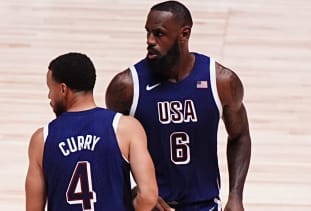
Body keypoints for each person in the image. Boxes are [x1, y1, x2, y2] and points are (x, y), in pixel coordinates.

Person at [105, 1, 251, 211]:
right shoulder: (126, 87)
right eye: (148, 33)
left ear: (184, 34)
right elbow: (107, 151)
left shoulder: (221, 81)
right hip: (152, 206)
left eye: (158, 34)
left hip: (205, 205)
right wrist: (135, 190)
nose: (149, 41)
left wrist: (236, 195)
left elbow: (240, 136)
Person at [25, 52, 158, 211]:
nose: (49, 96)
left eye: (50, 89)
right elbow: (149, 196)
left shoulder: (42, 140)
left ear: (63, 89)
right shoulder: (126, 128)